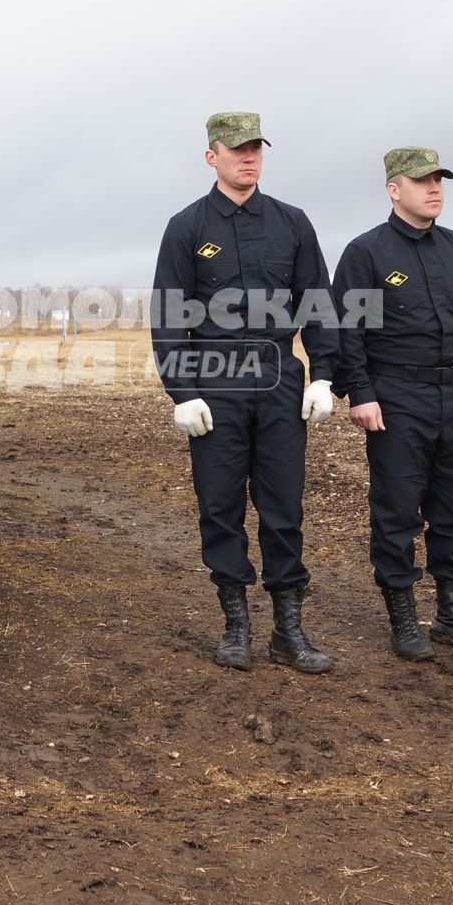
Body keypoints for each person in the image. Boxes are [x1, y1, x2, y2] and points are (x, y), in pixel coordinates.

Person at [152, 112, 339, 675]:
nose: (248, 157)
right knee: (221, 505)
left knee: (283, 507)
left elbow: (318, 305)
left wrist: (325, 375)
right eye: (237, 149)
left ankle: (289, 629)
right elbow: (167, 315)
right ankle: (236, 623)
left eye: (256, 147)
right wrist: (182, 391)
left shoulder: (293, 223)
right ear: (212, 156)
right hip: (215, 377)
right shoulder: (187, 227)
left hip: (280, 376)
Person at [330, 148, 453, 661]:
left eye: (439, 181)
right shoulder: (366, 252)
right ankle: (404, 617)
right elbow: (347, 330)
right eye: (422, 181)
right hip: (395, 397)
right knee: (397, 510)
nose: (434, 189)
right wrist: (360, 392)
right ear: (394, 189)